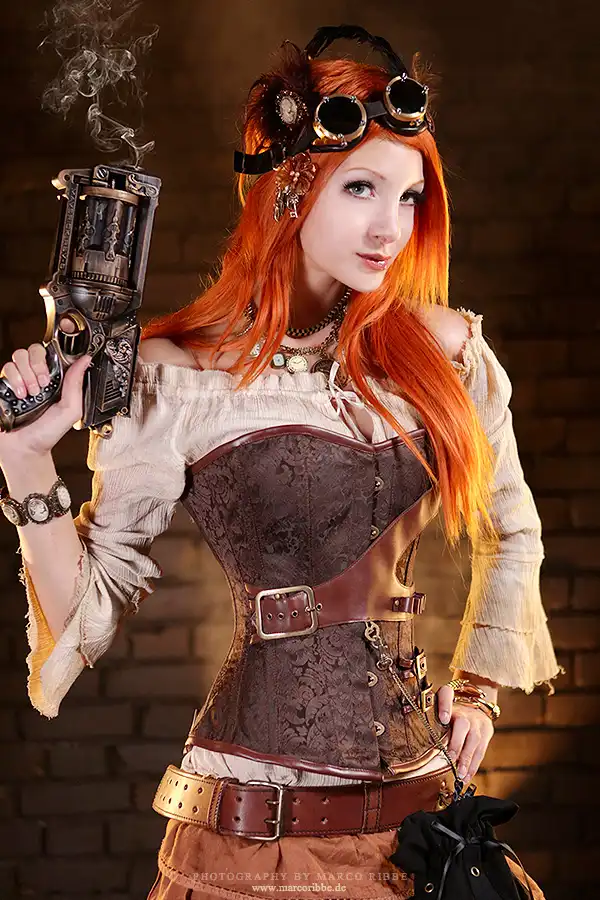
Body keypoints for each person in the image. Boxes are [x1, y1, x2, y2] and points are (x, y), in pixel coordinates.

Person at [0, 24, 563, 900]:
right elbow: (87, 609)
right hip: (255, 836)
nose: (390, 226)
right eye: (362, 188)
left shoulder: (444, 354)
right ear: (293, 188)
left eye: (409, 197)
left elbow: (514, 531)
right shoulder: (180, 377)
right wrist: (28, 458)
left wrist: (481, 687)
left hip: (421, 824)